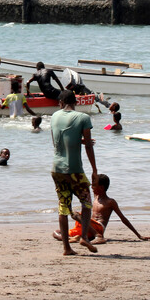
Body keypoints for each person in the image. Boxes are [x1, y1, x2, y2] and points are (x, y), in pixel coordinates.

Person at [50, 89, 99, 255]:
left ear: (61, 103)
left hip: (56, 169)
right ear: (75, 103)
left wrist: (80, 140)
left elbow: (57, 142)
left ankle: (66, 248)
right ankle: (84, 236)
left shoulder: (54, 116)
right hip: (74, 170)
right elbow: (88, 148)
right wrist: (94, 170)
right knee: (86, 203)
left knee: (63, 207)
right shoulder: (83, 118)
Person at [54, 174, 150, 245]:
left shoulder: (110, 202)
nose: (91, 187)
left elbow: (123, 218)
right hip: (88, 226)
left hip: (98, 227)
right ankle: (79, 237)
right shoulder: (95, 197)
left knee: (77, 215)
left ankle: (97, 236)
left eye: (94, 185)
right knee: (57, 233)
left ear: (101, 187)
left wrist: (139, 235)